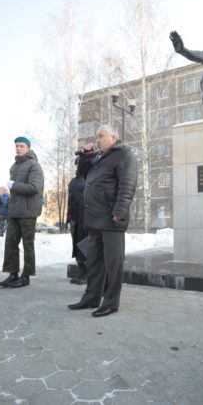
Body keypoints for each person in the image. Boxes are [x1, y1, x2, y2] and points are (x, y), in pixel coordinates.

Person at [68, 125, 138, 317]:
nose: (97, 139)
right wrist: (85, 155)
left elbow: (127, 185)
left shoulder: (125, 155)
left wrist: (120, 211)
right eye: (96, 136)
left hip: (111, 218)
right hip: (94, 219)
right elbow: (81, 174)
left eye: (101, 136)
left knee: (113, 263)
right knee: (94, 262)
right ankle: (91, 297)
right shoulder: (99, 157)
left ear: (113, 137)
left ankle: (111, 302)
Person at [0, 136, 44, 288]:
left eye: (22, 146)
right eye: (17, 146)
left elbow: (34, 188)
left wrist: (14, 185)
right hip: (14, 211)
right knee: (10, 244)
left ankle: (26, 276)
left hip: (28, 211)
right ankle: (12, 274)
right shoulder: (14, 166)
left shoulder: (34, 165)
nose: (19, 148)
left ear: (28, 148)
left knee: (28, 245)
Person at [66, 146, 94, 285]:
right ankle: (82, 271)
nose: (78, 166)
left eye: (79, 163)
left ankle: (88, 273)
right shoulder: (73, 181)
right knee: (76, 245)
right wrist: (67, 217)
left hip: (84, 217)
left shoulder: (88, 178)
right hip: (74, 217)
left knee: (84, 245)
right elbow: (70, 200)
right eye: (77, 163)